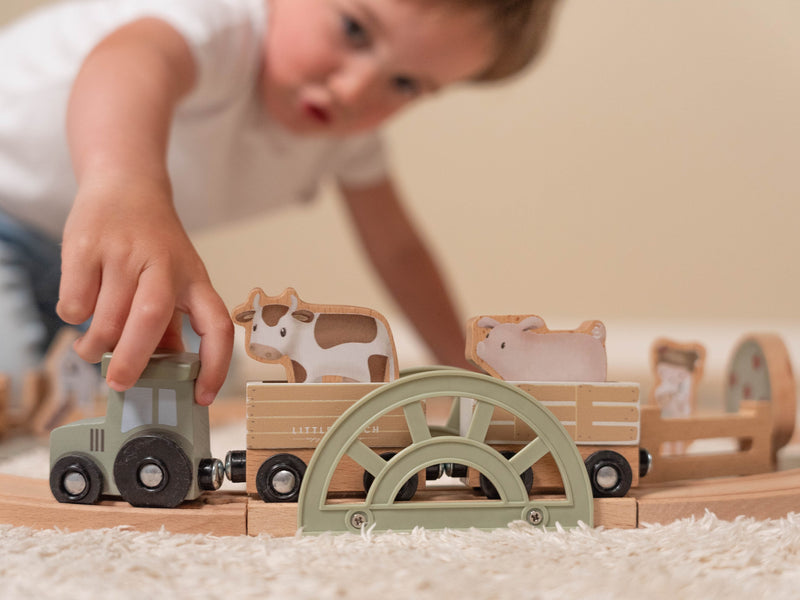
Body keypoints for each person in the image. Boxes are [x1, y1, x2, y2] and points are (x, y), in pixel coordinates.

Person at [0, 0, 559, 405]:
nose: (354, 89)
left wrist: (465, 370)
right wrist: (125, 185)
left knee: (188, 380)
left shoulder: (346, 136)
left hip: (93, 262)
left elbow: (398, 249)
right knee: (10, 388)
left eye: (406, 84)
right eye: (354, 29)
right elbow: (128, 63)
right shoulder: (216, 21)